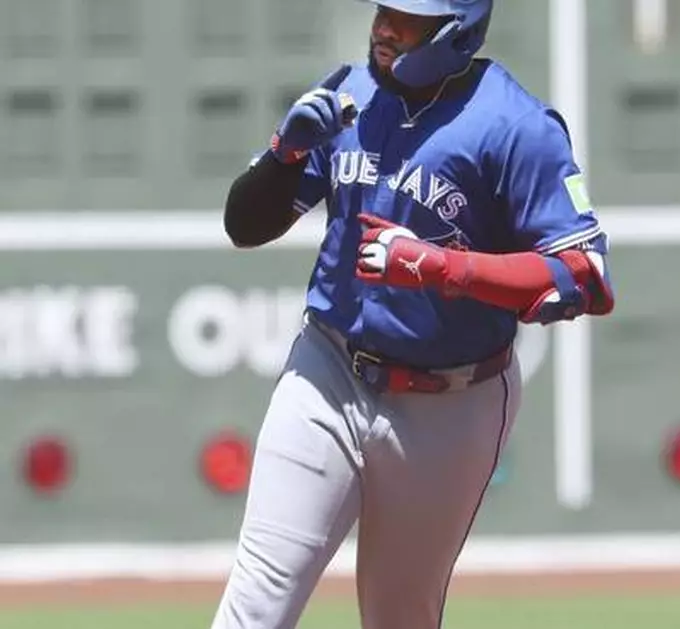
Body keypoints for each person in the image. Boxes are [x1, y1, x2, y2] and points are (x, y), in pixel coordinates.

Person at [211, 1, 614, 627]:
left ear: (457, 32)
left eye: (410, 18)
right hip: (328, 371)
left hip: (451, 400)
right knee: (254, 605)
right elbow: (245, 225)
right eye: (384, 9)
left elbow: (582, 277)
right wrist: (282, 156)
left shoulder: (516, 125)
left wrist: (444, 267)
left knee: (400, 616)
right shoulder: (348, 94)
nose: (385, 27)